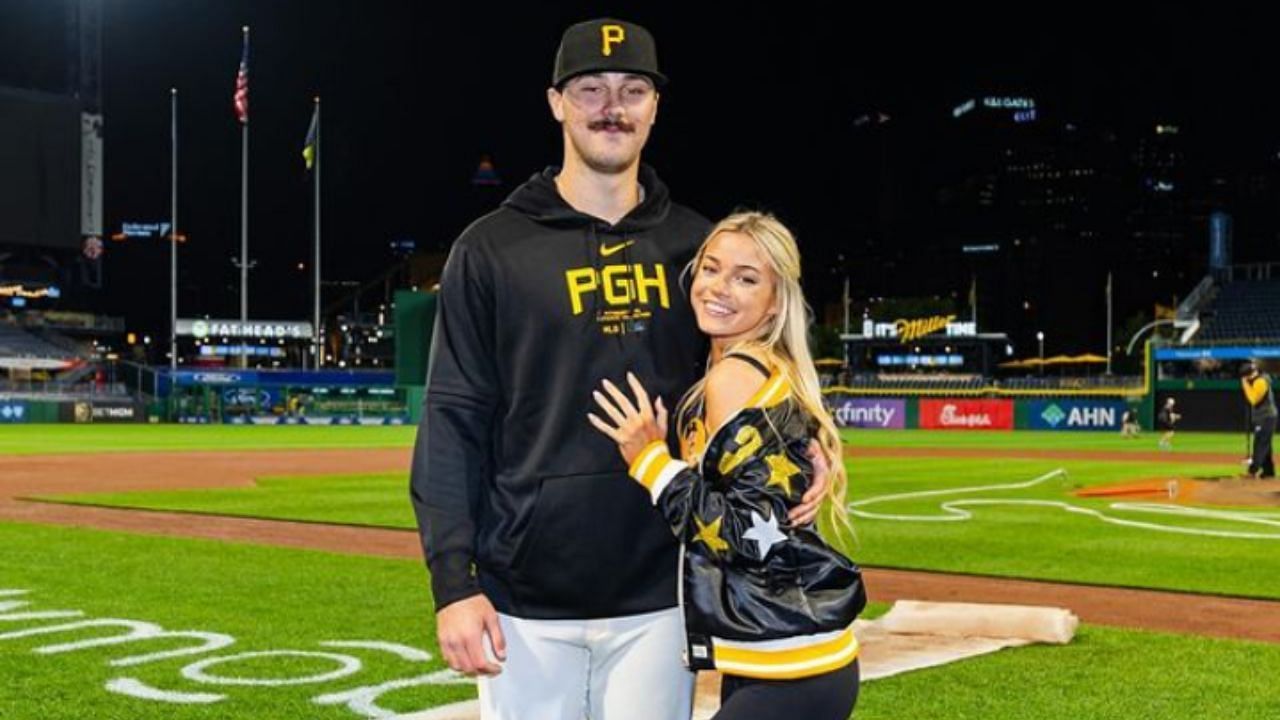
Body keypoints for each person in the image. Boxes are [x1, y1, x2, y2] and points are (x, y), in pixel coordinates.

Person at [409, 19, 827, 720]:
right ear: (556, 103)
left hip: (662, 591)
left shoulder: (698, 248)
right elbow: (453, 416)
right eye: (591, 89)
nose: (613, 106)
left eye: (633, 89)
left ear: (655, 108)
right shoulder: (491, 248)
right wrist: (454, 583)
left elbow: (762, 364)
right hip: (525, 598)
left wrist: (806, 439)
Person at [589, 212, 865, 720]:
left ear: (775, 300)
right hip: (781, 659)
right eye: (711, 269)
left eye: (746, 278)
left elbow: (741, 531)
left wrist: (649, 461)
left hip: (792, 668)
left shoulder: (733, 376)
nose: (719, 288)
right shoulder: (748, 363)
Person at [1241, 361, 1276, 478]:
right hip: (1264, 417)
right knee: (1266, 444)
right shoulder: (1258, 379)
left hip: (1266, 417)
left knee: (1260, 444)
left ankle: (1252, 471)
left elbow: (1253, 399)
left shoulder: (1260, 381)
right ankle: (1269, 471)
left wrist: (1245, 385)